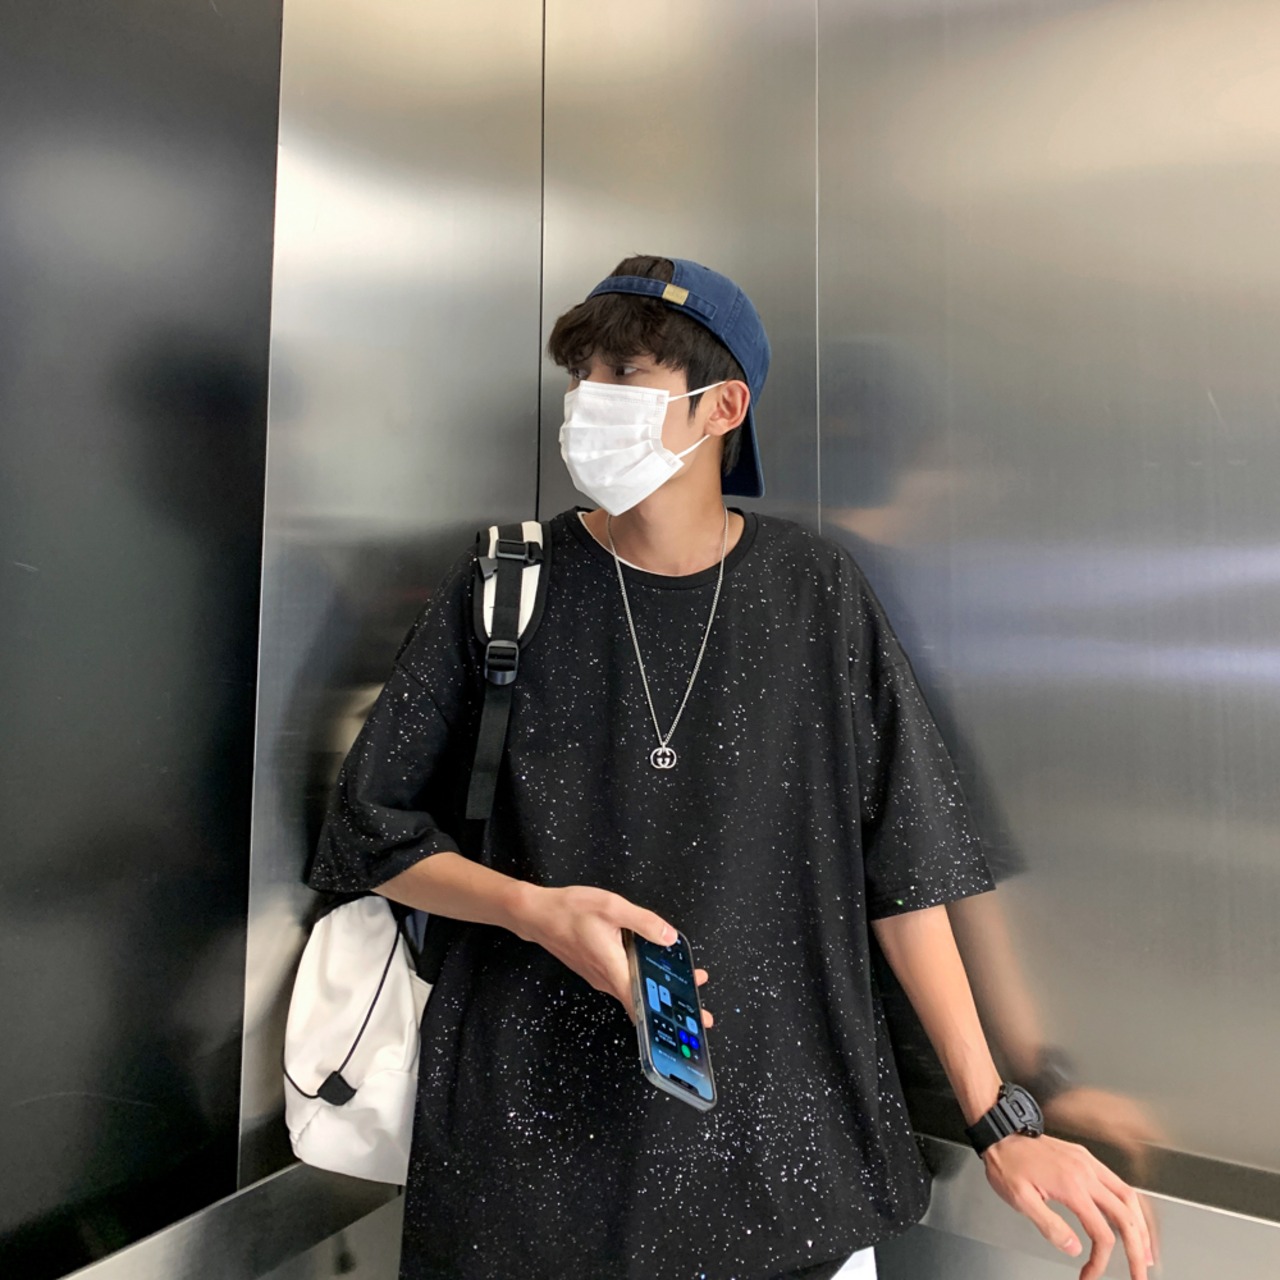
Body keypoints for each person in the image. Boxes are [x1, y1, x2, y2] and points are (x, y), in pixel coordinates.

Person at [306, 256, 1155, 1280]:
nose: (588, 399)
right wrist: (534, 912)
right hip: (527, 1167)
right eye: (580, 373)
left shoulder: (814, 590)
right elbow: (372, 832)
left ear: (723, 407)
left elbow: (908, 871)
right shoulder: (505, 582)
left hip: (781, 1173)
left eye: (625, 372)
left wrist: (1000, 1117)